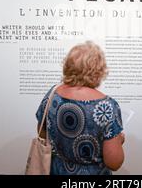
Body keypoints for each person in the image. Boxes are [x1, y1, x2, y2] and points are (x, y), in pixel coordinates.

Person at [35, 41, 125, 175]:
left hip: (56, 171)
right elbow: (114, 163)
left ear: (68, 66)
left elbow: (42, 133)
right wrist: (119, 140)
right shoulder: (107, 106)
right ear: (98, 70)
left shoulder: (53, 94)